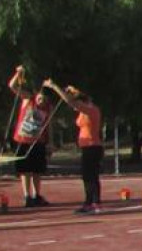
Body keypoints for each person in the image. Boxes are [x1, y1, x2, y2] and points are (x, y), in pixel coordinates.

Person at [43, 81, 103, 213]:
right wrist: (73, 90)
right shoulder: (86, 110)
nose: (75, 108)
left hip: (92, 146)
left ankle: (92, 203)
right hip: (88, 147)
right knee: (90, 175)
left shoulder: (91, 110)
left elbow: (69, 101)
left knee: (89, 176)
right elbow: (77, 97)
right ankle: (93, 202)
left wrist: (54, 86)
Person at [7, 66, 53, 207]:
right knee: (25, 170)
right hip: (23, 140)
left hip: (38, 142)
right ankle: (27, 196)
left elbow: (48, 126)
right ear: (36, 95)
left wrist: (50, 142)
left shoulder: (48, 108)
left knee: (37, 171)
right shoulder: (28, 99)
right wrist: (18, 73)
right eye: (40, 97)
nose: (41, 101)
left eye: (44, 99)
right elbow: (12, 86)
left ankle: (37, 195)